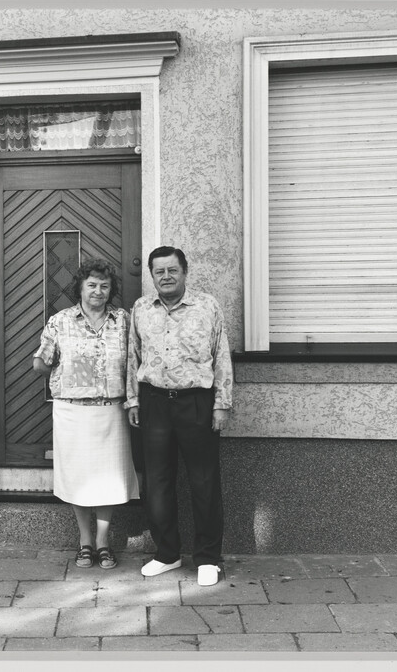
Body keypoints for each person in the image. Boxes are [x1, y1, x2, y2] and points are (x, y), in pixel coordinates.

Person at [126, 245, 233, 585]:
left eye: (172, 270)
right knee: (156, 482)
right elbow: (133, 357)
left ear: (185, 272)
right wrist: (132, 401)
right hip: (153, 402)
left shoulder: (207, 306)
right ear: (152, 275)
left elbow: (222, 355)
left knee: (203, 481)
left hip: (197, 403)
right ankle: (167, 553)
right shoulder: (141, 308)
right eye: (159, 271)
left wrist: (221, 403)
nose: (166, 276)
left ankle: (207, 558)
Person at [33, 258, 140, 570]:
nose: (98, 291)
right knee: (78, 478)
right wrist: (64, 368)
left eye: (104, 286)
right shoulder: (61, 321)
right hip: (73, 412)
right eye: (91, 285)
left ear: (111, 290)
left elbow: (135, 361)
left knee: (109, 479)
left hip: (111, 411)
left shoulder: (123, 320)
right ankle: (85, 542)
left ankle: (104, 542)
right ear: (79, 287)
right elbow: (41, 361)